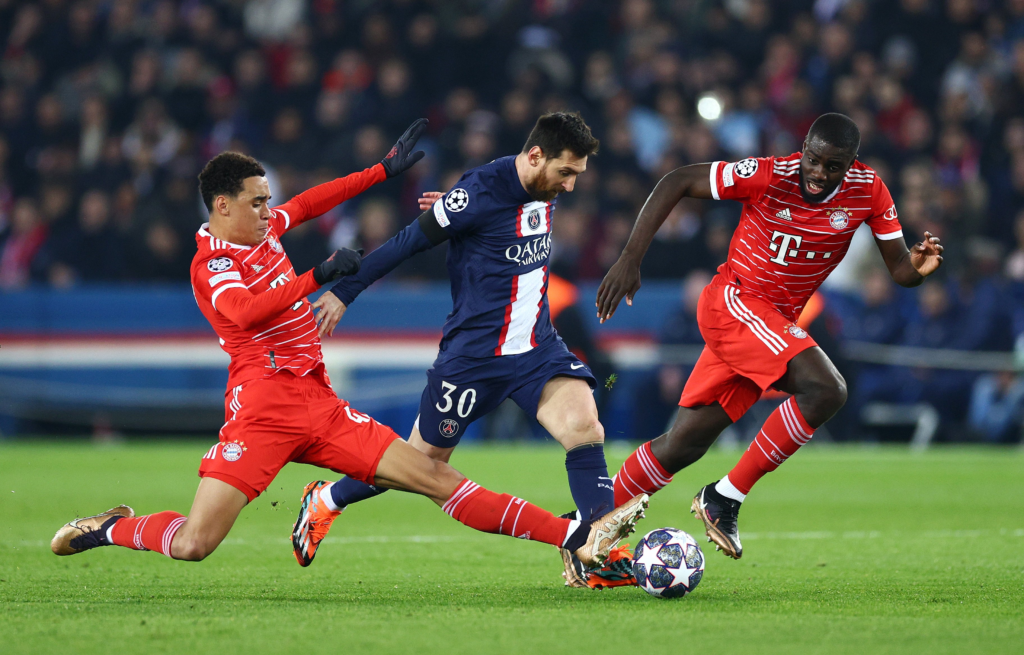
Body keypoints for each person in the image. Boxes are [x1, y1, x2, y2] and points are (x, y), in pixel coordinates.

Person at [50, 121, 648, 572]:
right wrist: (320, 278)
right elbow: (244, 311)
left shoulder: (262, 229)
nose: (270, 211)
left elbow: (311, 202)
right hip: (261, 409)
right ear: (222, 207)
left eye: (268, 200)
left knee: (435, 478)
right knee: (194, 543)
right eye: (258, 203)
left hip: (318, 400)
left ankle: (579, 540)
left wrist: (381, 172)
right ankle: (112, 529)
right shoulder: (213, 266)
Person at [596, 113, 944, 561]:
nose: (819, 173)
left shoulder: (869, 190)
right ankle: (724, 498)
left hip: (768, 325)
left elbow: (898, 268)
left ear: (852, 164)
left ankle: (588, 526)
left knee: (683, 443)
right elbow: (678, 180)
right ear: (803, 148)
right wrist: (630, 257)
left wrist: (917, 269)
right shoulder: (766, 174)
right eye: (813, 160)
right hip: (734, 303)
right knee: (827, 389)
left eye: (833, 166)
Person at [296, 112, 621, 586]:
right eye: (565, 173)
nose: (570, 187)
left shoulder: (536, 188)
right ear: (535, 156)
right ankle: (327, 499)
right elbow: (407, 242)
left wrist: (453, 209)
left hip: (536, 349)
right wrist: (346, 291)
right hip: (472, 360)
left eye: (576, 176)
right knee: (419, 464)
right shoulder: (482, 192)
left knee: (585, 427)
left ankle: (594, 551)